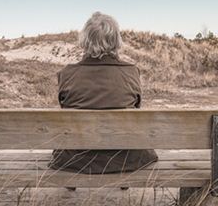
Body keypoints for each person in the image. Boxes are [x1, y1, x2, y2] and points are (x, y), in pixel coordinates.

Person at [48, 12, 158, 174]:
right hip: (125, 158)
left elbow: (65, 108)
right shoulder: (131, 72)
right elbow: (136, 108)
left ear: (85, 40)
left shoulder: (67, 74)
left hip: (77, 159)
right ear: (116, 41)